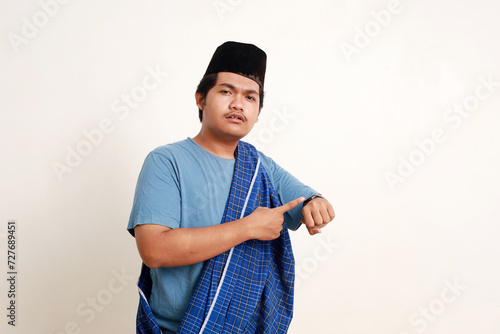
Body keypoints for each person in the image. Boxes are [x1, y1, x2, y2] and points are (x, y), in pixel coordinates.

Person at [127, 41, 335, 334]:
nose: (238, 104)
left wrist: (317, 202)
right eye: (226, 91)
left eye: (250, 97)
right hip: (175, 329)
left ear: (258, 112)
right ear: (200, 99)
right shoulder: (166, 161)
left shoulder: (261, 166)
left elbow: (306, 199)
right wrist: (247, 228)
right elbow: (154, 250)